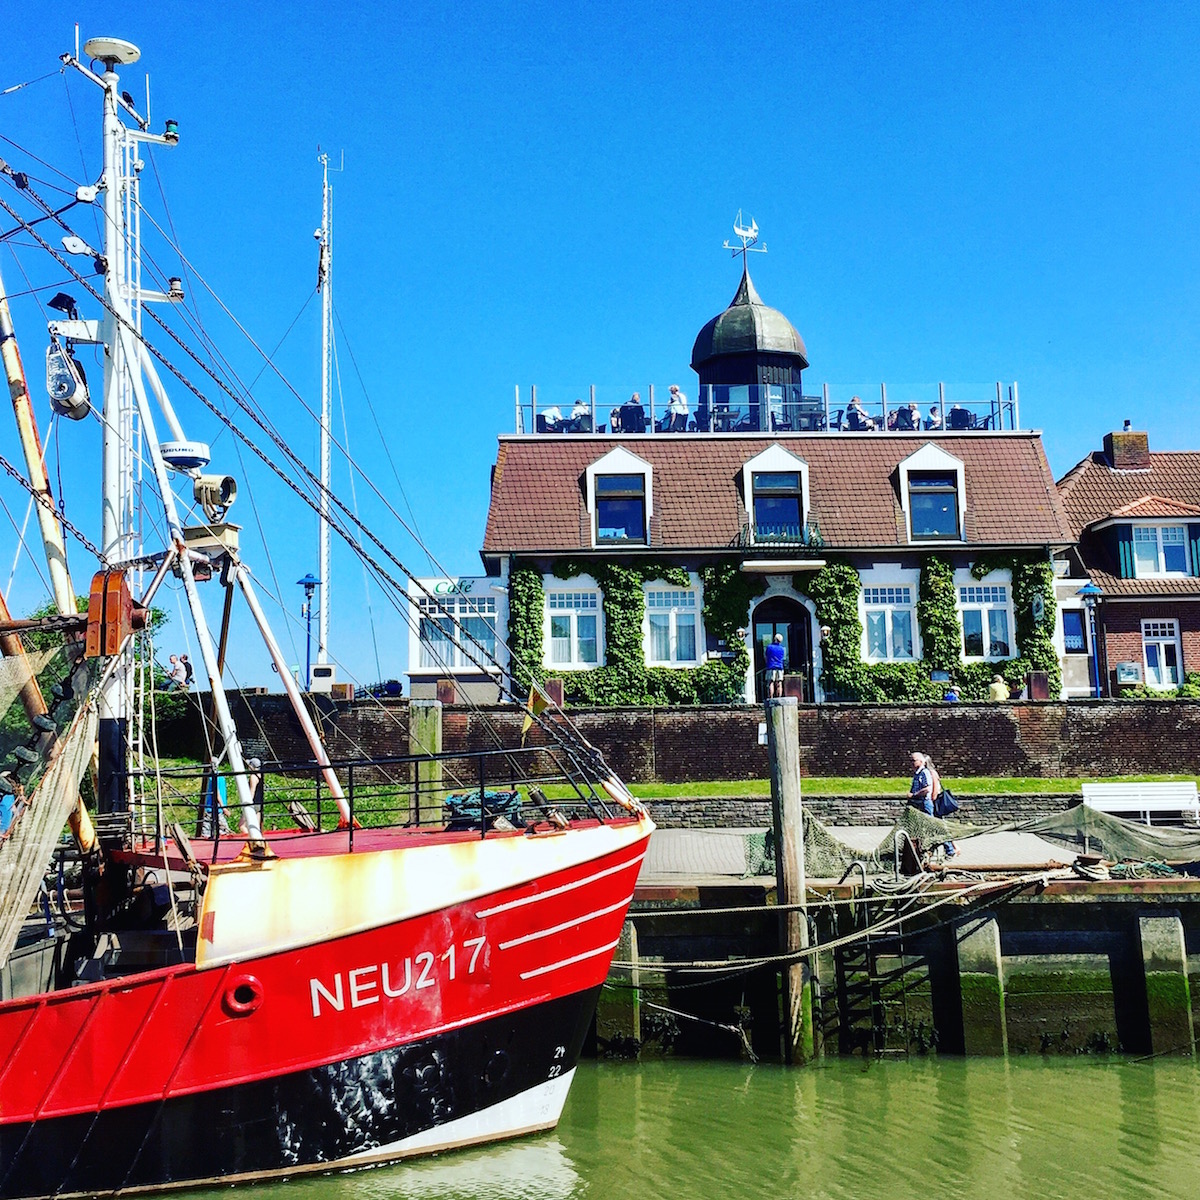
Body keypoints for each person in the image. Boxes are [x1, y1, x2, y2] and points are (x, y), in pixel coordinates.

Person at [764, 632, 786, 699]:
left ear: (774, 639)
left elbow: (766, 656)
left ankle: (771, 698)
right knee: (779, 683)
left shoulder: (769, 647)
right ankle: (779, 698)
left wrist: (767, 663)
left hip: (771, 667)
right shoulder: (782, 649)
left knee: (771, 683)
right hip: (780, 667)